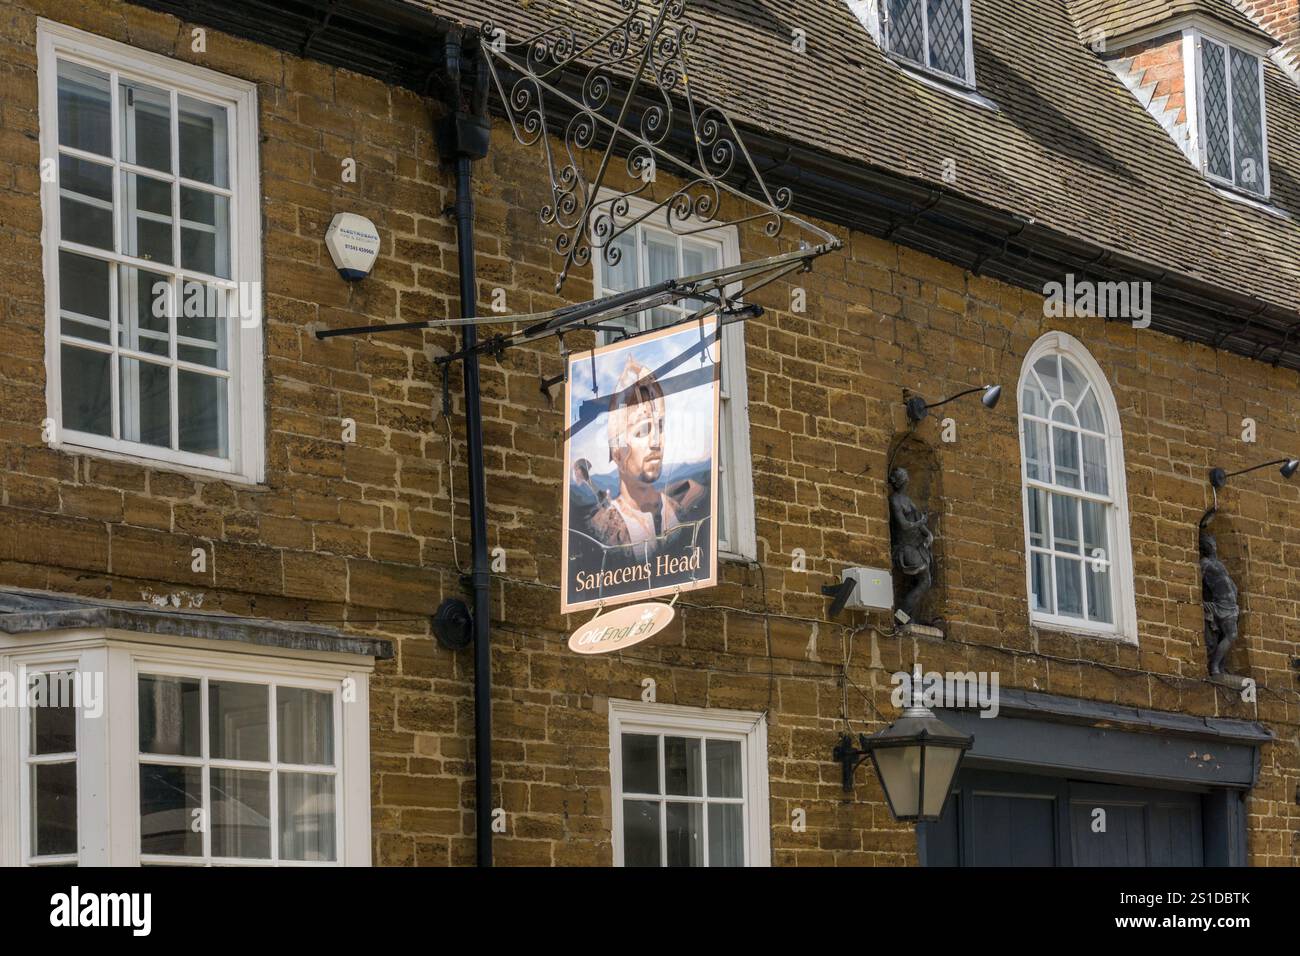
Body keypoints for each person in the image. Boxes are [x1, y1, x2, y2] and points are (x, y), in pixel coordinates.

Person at [588, 356, 705, 547]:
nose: (656, 441)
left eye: (660, 427)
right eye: (642, 431)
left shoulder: (681, 513)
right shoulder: (600, 529)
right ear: (616, 452)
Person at [889, 467, 934, 622]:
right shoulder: (895, 500)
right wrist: (921, 522)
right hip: (904, 547)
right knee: (924, 580)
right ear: (900, 481)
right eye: (904, 477)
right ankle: (901, 616)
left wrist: (928, 533)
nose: (906, 479)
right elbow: (904, 525)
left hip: (916, 546)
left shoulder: (908, 500)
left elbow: (918, 520)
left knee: (925, 582)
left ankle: (905, 616)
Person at [1200, 532, 1240, 676]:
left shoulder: (1219, 564)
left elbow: (1228, 581)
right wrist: (1203, 602)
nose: (1213, 546)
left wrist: (1234, 591)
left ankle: (1221, 667)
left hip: (1231, 605)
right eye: (1209, 544)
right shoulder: (1205, 563)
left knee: (1228, 635)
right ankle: (1214, 666)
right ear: (1205, 547)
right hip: (1221, 605)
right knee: (1231, 635)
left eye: (1213, 543)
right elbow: (1198, 581)